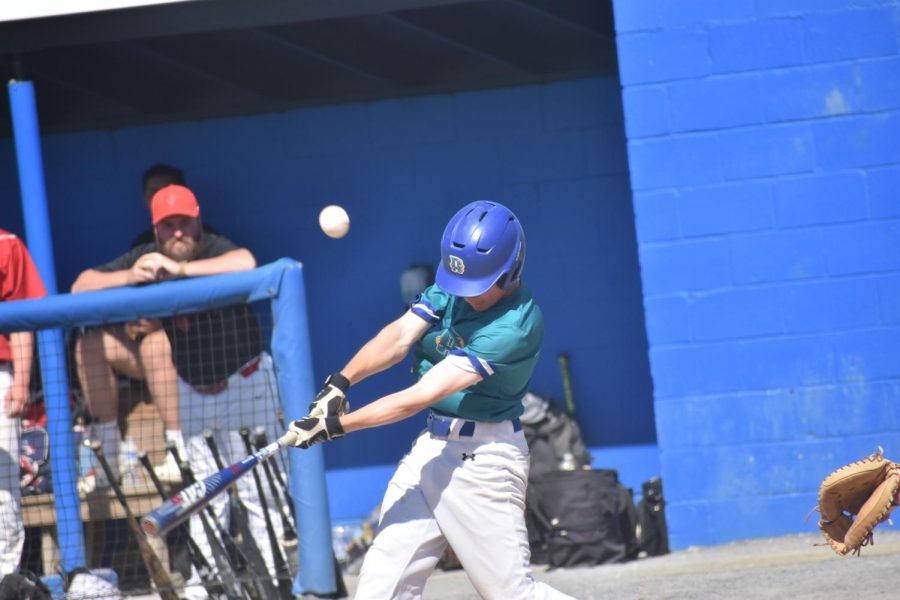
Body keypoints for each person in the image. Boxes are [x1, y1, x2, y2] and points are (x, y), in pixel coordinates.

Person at [289, 200, 574, 599]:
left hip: (485, 461)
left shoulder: (515, 325)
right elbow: (399, 336)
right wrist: (340, 383)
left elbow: (420, 396)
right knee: (379, 591)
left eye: (480, 284)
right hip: (432, 449)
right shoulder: (458, 282)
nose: (468, 295)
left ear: (512, 270)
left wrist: (335, 427)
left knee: (511, 594)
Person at [72, 185, 284, 596]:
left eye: (184, 222)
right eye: (168, 226)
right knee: (204, 499)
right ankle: (214, 587)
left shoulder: (212, 247)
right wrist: (133, 276)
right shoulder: (145, 255)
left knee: (262, 494)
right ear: (156, 229)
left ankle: (278, 585)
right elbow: (81, 285)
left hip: (247, 383)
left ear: (197, 219)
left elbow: (247, 262)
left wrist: (180, 272)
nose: (178, 232)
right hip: (194, 394)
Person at [0, 229, 47, 577]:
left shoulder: (6, 244)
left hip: (0, 371)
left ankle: (5, 578)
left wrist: (21, 380)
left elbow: (21, 314)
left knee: (2, 489)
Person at [131, 164, 217, 249]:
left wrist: (175, 264)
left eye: (185, 223)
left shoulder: (208, 237)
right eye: (154, 192)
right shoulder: (141, 244)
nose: (162, 197)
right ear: (146, 199)